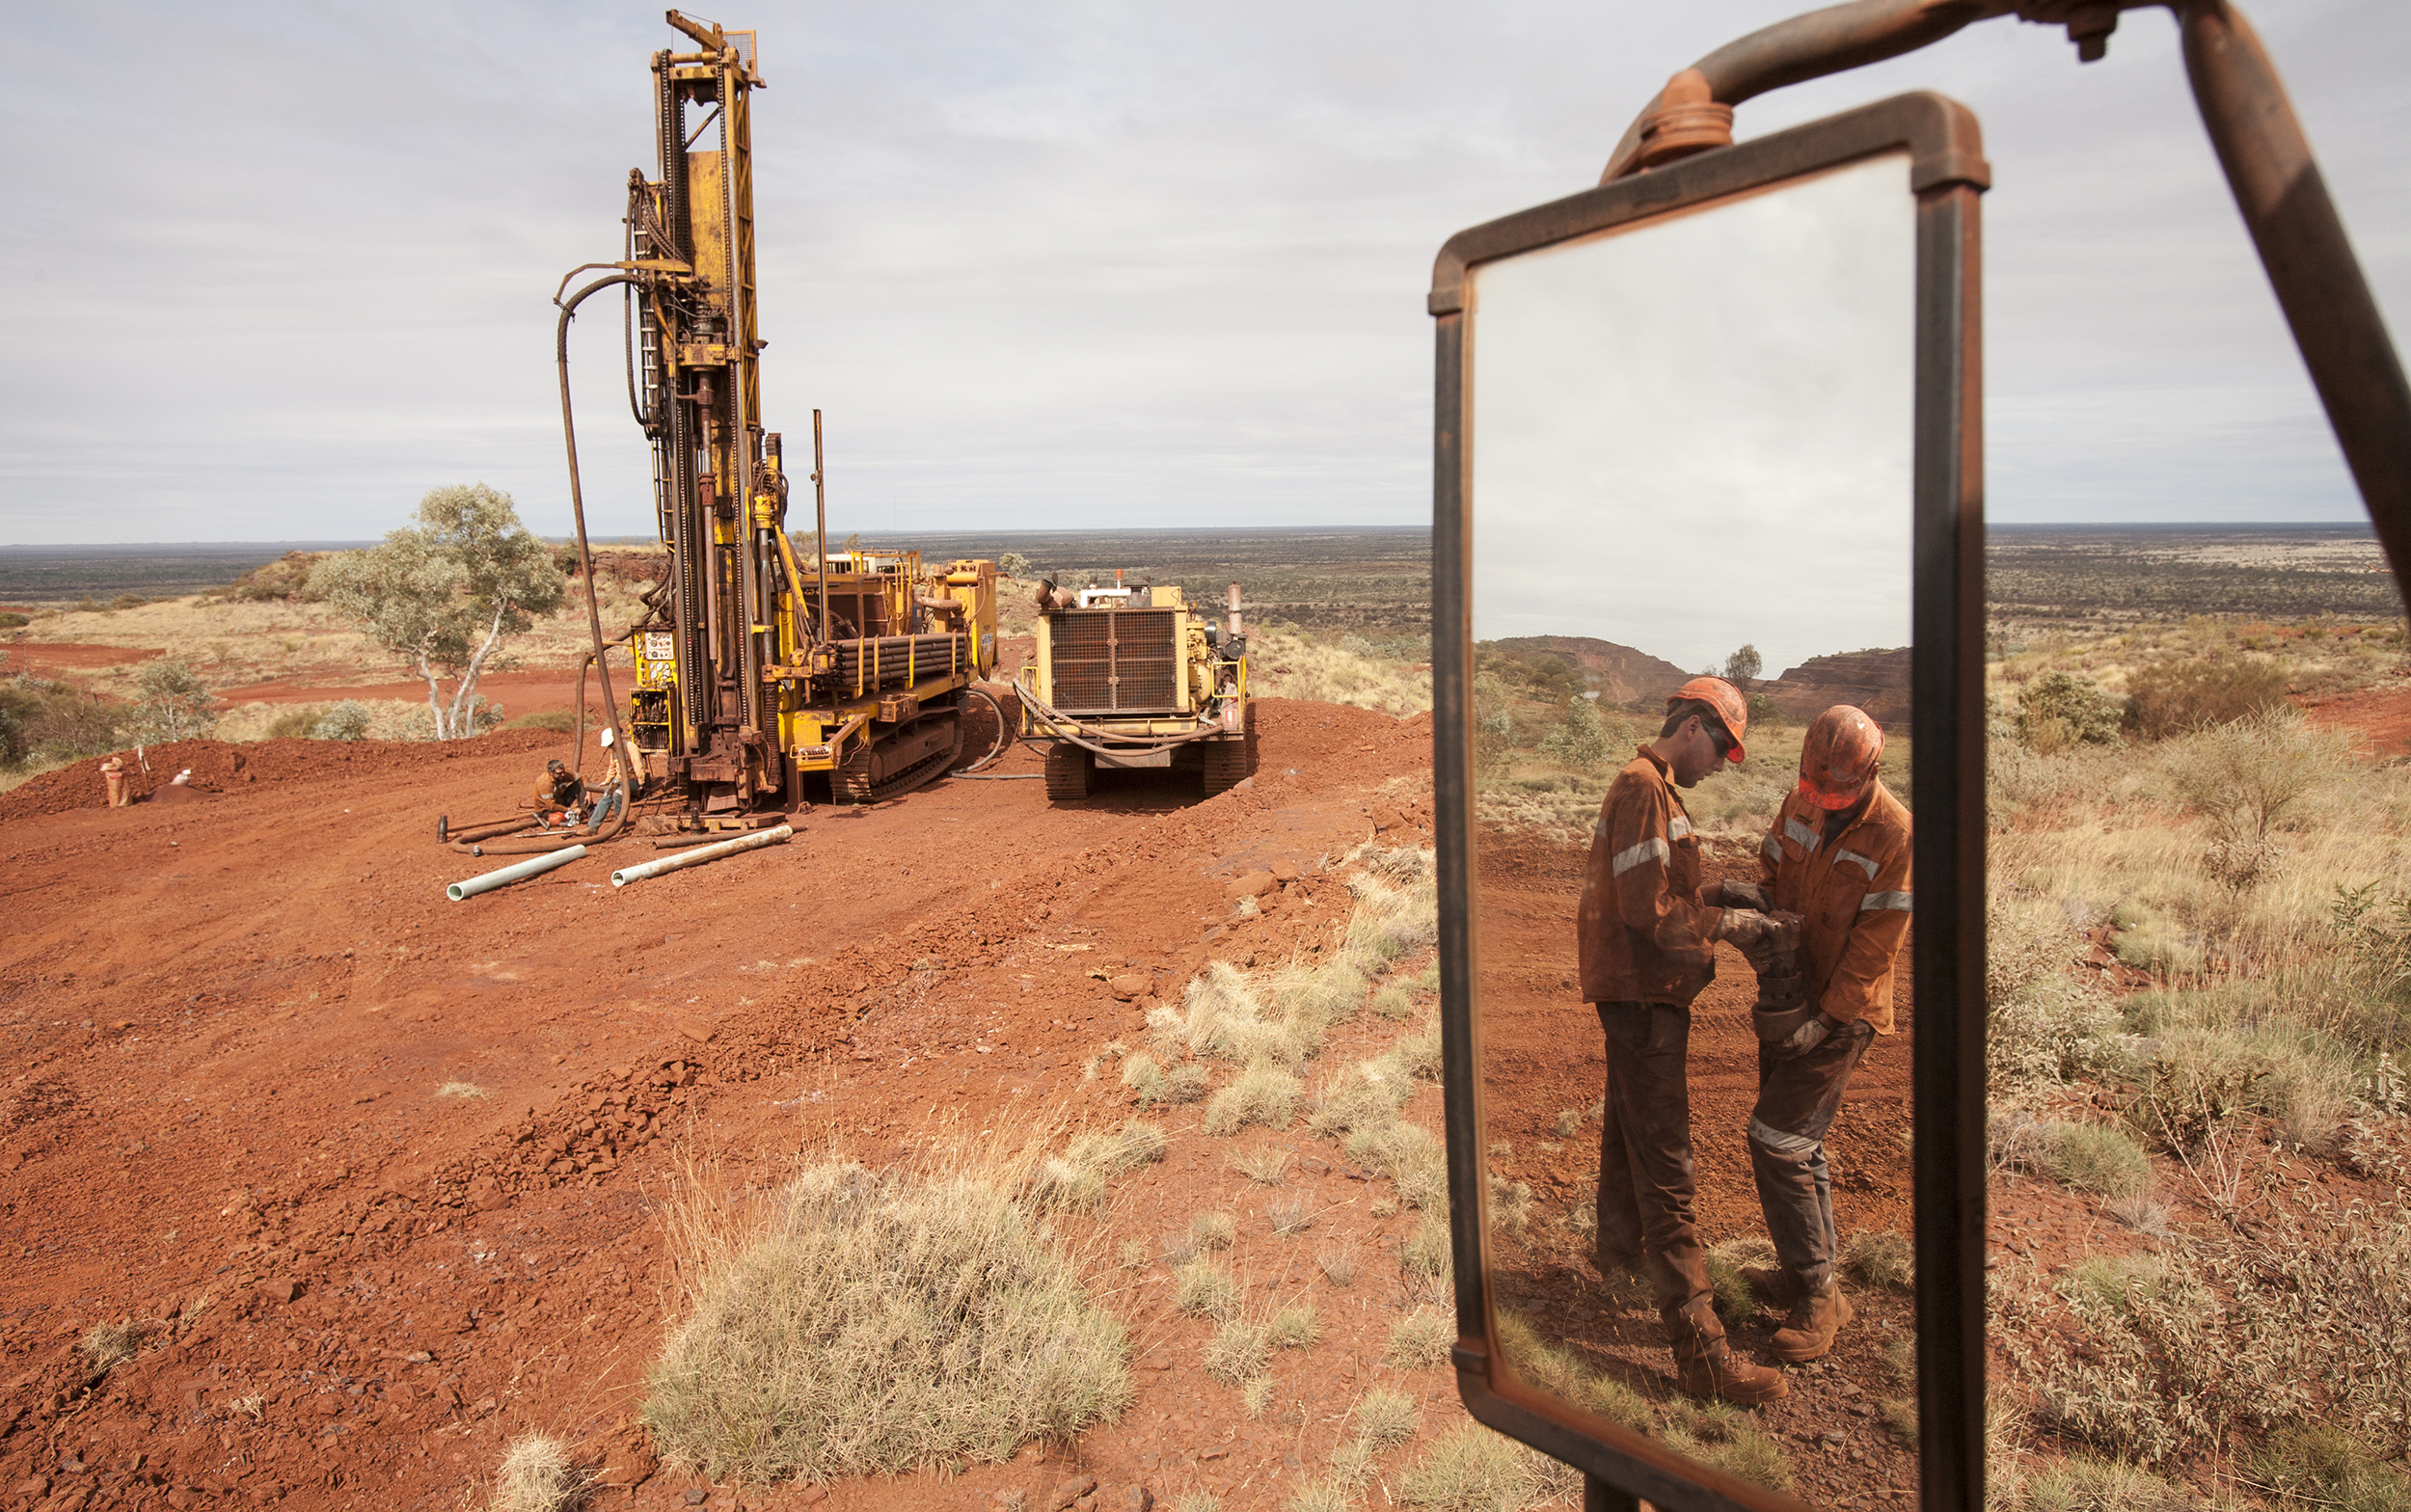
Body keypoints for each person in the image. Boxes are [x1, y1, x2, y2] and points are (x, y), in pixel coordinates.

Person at [1580, 676, 1797, 1405]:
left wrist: (1724, 892)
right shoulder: (1644, 786)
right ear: (1696, 727)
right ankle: (1701, 1354)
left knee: (1628, 1128)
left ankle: (1617, 1260)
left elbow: (1664, 891)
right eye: (1724, 749)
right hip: (1644, 995)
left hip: (1642, 992)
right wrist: (1734, 928)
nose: (1721, 765)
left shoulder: (1657, 790)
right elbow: (1647, 909)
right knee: (1668, 1167)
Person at [1735, 704, 1912, 1363]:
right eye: (1817, 786)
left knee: (1776, 1141)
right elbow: (1773, 873)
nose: (1826, 800)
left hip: (1846, 1008)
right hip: (1788, 995)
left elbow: (1876, 947)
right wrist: (1750, 908)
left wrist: (1826, 1021)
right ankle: (1804, 1270)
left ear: (1870, 774)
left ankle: (1817, 1296)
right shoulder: (1800, 804)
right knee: (1798, 1144)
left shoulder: (1896, 835)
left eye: (1839, 790)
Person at [531, 758, 586, 826]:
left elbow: (583, 777)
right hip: (546, 810)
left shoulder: (562, 774)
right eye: (559, 773)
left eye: (563, 771)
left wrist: (588, 794)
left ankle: (586, 811)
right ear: (551, 772)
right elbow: (552, 806)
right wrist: (570, 810)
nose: (563, 775)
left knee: (579, 784)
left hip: (560, 802)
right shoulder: (544, 783)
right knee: (557, 818)